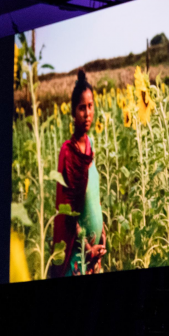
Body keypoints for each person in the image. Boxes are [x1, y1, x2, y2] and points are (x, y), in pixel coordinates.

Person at [50, 69, 106, 277]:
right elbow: (67, 214)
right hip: (79, 259)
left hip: (95, 256)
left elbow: (95, 197)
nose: (88, 113)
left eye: (90, 106)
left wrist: (103, 234)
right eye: (82, 108)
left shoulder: (91, 147)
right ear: (73, 112)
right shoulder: (68, 152)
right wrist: (88, 249)